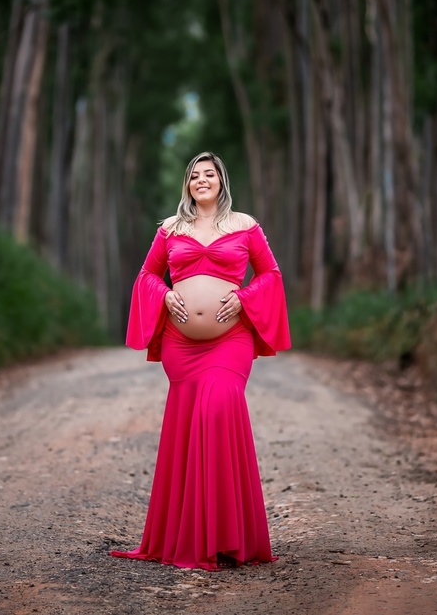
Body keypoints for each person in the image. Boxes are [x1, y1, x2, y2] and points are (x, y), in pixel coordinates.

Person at [111, 151, 291, 571]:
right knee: (189, 427)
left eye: (209, 174)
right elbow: (147, 277)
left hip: (231, 341)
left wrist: (244, 299)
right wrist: (166, 295)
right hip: (182, 346)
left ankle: (227, 536)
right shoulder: (171, 229)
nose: (201, 180)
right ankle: (192, 538)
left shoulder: (245, 226)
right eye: (195, 175)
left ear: (221, 181)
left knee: (217, 411)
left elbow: (270, 275)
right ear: (188, 184)